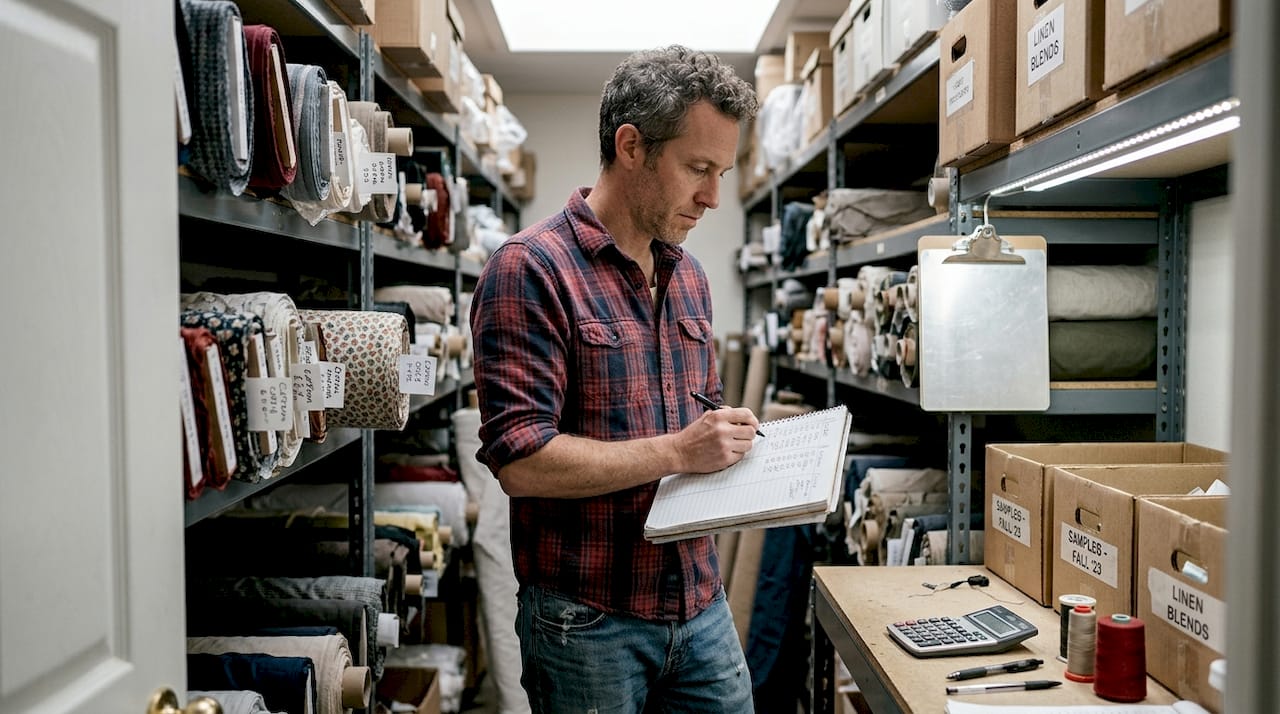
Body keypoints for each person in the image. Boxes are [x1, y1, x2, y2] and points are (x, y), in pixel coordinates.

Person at [470, 45, 762, 713]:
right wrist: (678, 452)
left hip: (699, 606)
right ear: (631, 146)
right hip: (588, 624)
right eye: (697, 169)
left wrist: (739, 451)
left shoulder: (687, 277)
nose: (714, 197)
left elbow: (696, 422)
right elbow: (520, 460)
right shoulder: (530, 270)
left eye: (722, 172)